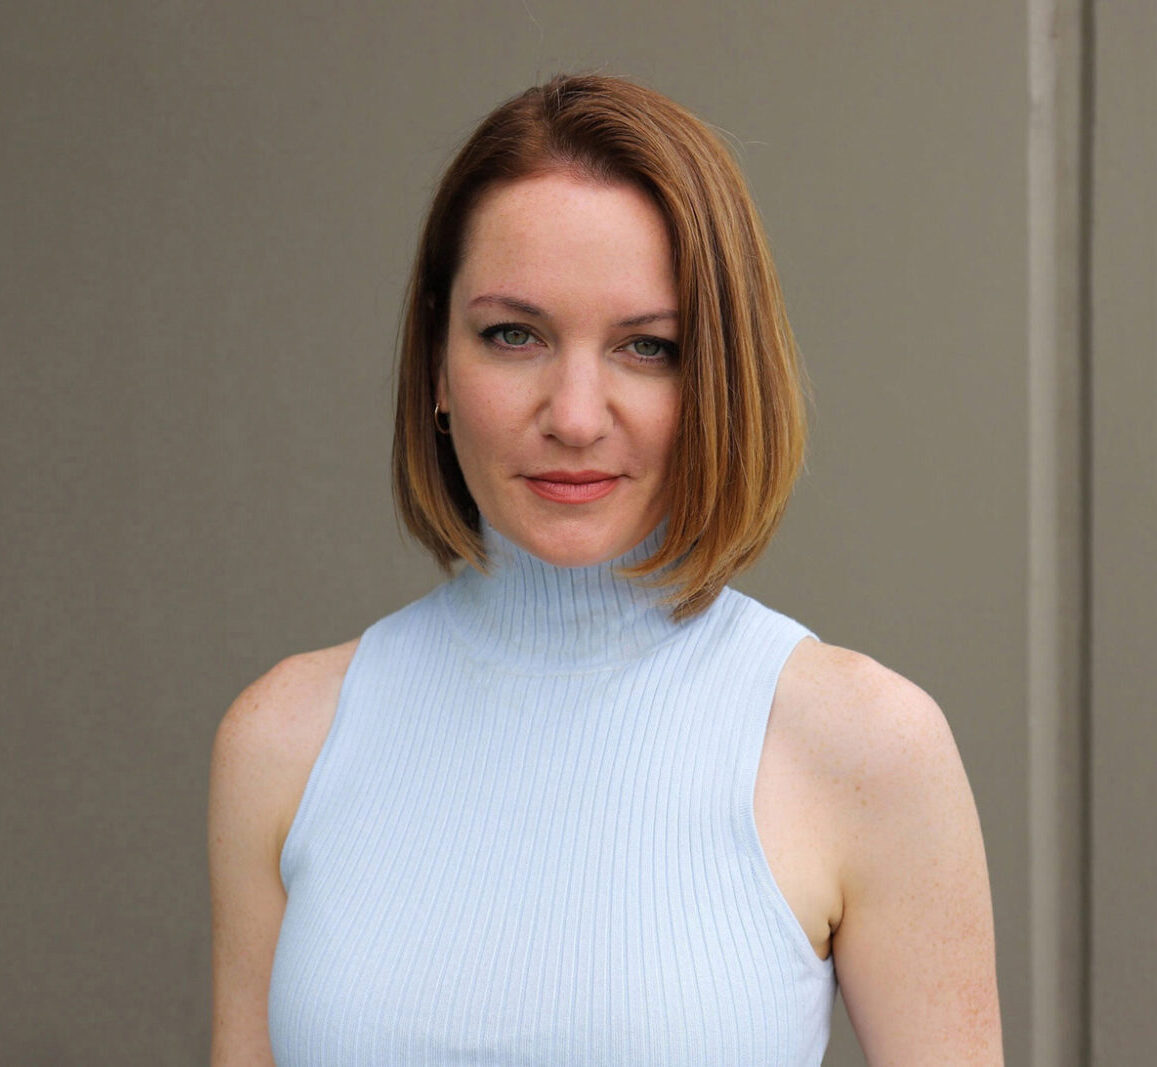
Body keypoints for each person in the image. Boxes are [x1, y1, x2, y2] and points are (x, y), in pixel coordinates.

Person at [209, 74, 1002, 1065]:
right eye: (513, 335)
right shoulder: (281, 739)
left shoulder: (864, 746)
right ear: (434, 362)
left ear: (719, 372)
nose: (576, 415)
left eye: (646, 346)